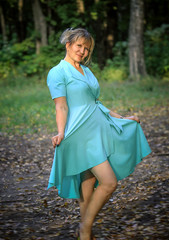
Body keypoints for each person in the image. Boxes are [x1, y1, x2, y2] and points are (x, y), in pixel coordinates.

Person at [47, 28, 151, 240]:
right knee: (109, 182)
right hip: (79, 135)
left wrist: (121, 117)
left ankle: (85, 232)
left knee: (88, 181)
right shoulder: (57, 72)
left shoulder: (87, 71)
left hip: (97, 132)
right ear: (68, 45)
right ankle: (85, 228)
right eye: (79, 46)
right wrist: (60, 132)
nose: (83, 51)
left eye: (87, 48)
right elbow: (61, 107)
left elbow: (96, 103)